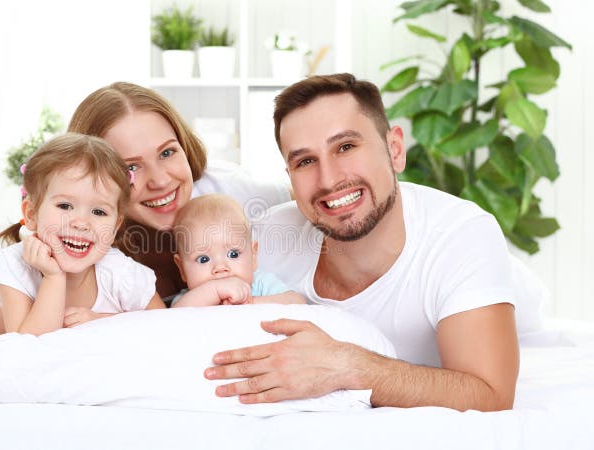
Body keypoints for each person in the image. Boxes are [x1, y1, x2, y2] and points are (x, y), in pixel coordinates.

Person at [204, 73, 520, 412]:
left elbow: (491, 394)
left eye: (345, 147)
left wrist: (346, 365)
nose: (329, 180)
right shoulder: (260, 242)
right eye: (305, 161)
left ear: (395, 150)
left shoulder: (462, 235)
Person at [67, 82, 292, 299]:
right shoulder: (85, 236)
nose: (160, 181)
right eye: (131, 167)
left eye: (167, 153)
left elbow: (303, 196)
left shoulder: (227, 191)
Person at [0, 133, 165, 346]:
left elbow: (166, 326)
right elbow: (26, 350)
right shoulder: (17, 264)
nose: (81, 222)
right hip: (6, 357)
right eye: (65, 206)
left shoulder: (122, 275)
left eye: (98, 211)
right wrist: (53, 277)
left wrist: (103, 321)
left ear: (115, 226)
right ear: (31, 214)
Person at [169, 194, 305, 307]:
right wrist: (215, 291)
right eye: (203, 259)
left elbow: (297, 302)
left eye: (233, 254)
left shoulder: (261, 285)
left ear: (253, 257)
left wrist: (251, 303)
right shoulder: (188, 300)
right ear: (182, 269)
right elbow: (173, 319)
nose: (220, 268)